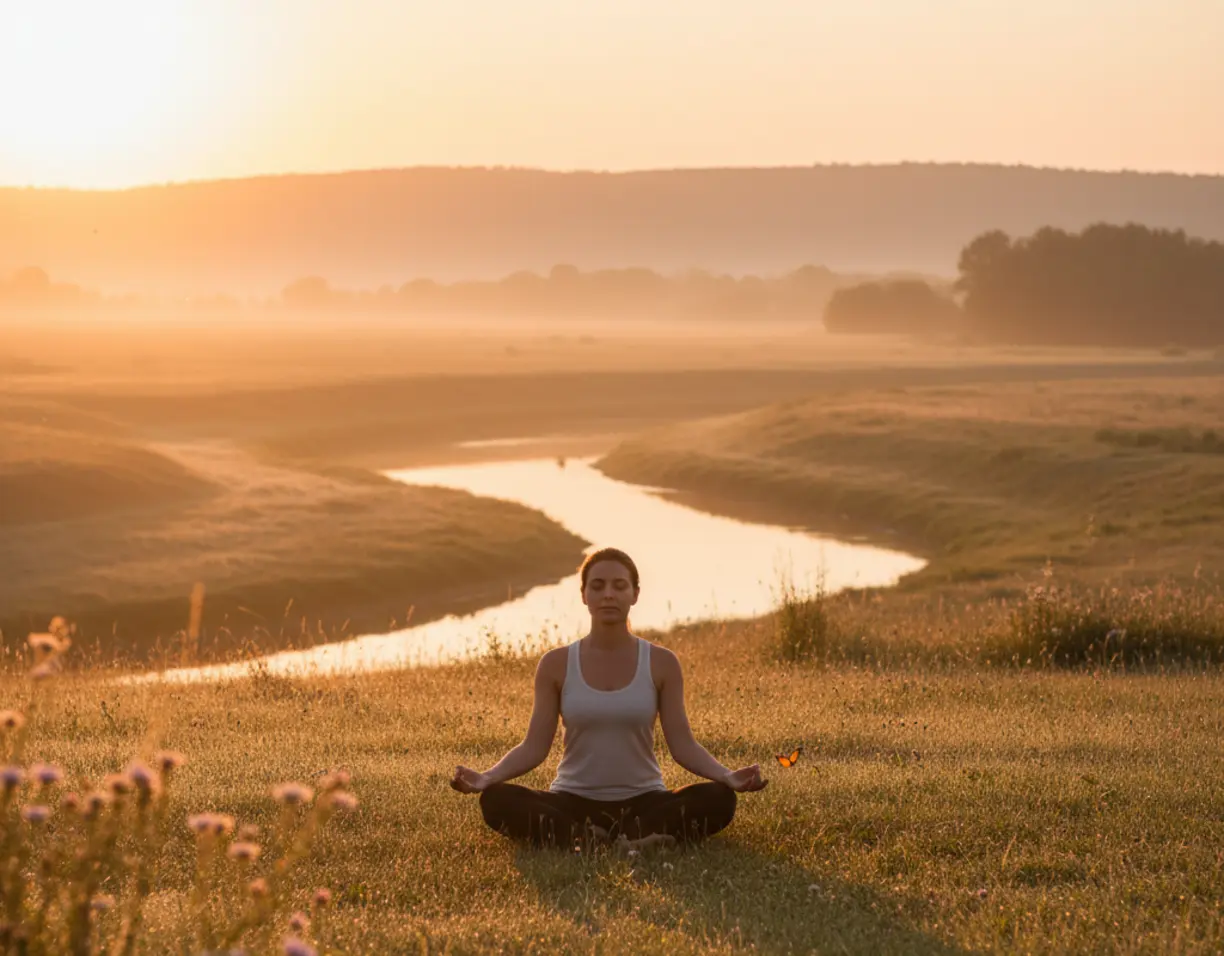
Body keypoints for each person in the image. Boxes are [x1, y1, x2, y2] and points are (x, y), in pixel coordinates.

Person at [450, 547, 767, 851]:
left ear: (635, 594)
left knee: (720, 798)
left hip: (645, 800)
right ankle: (609, 837)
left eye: (619, 586)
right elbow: (534, 747)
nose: (609, 595)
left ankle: (601, 837)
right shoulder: (556, 664)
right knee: (495, 800)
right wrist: (487, 777)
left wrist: (726, 775)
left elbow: (683, 746)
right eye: (598, 586)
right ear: (584, 595)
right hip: (572, 800)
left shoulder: (661, 662)